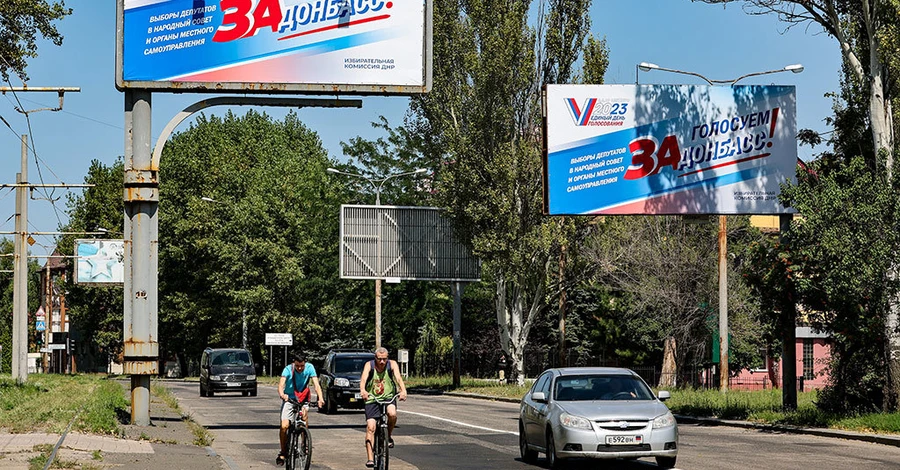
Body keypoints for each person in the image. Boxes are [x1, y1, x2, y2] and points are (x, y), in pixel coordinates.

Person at [360, 347, 407, 469]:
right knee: (371, 426)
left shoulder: (392, 364)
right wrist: (363, 390)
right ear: (375, 358)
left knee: (392, 414)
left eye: (384, 359)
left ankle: (388, 436)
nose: (382, 362)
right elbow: (363, 379)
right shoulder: (369, 365)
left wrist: (403, 390)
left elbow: (398, 377)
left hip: (388, 397)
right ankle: (370, 458)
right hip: (372, 398)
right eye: (379, 359)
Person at [276, 352, 324, 466]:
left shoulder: (310, 368)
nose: (300, 368)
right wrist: (283, 394)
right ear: (294, 363)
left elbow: (316, 385)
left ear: (305, 363)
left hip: (303, 399)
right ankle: (283, 451)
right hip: (290, 399)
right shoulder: (288, 369)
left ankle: (304, 442)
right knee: (284, 426)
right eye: (297, 365)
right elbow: (281, 385)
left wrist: (320, 398)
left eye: (302, 366)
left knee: (304, 414)